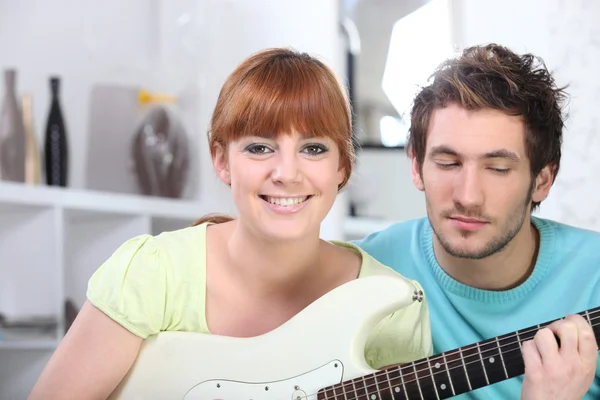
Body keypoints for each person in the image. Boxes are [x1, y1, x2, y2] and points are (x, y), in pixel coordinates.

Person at [28, 48, 433, 399]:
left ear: (342, 166)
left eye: (313, 148)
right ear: (221, 160)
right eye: (260, 147)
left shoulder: (393, 306)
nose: (287, 173)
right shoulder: (153, 274)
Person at [354, 43, 600, 399]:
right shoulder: (363, 270)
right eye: (448, 163)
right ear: (416, 166)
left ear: (542, 180)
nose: (467, 196)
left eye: (498, 169)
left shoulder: (594, 278)